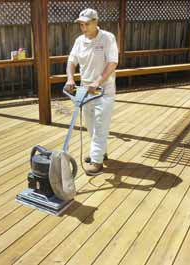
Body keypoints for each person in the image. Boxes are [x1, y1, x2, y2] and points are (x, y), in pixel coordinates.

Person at [64, 8, 119, 175]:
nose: (83, 27)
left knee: (101, 125)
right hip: (85, 90)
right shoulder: (79, 40)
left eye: (86, 24)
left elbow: (112, 63)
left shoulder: (107, 38)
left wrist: (98, 81)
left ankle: (96, 160)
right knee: (90, 125)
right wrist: (70, 79)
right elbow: (71, 61)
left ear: (96, 22)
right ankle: (100, 152)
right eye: (81, 24)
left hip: (104, 89)